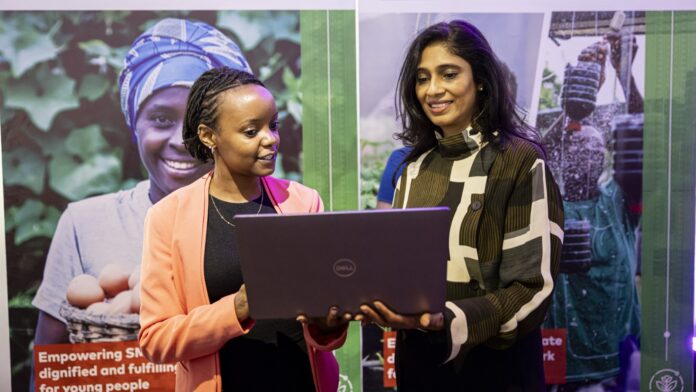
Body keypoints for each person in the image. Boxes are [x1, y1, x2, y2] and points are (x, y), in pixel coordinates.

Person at [356, 20, 564, 391]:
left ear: (480, 79)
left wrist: (448, 320)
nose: (432, 90)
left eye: (448, 74)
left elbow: (531, 288)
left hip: (495, 371)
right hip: (419, 366)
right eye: (422, 78)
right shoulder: (413, 169)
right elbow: (401, 273)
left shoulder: (520, 162)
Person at [31, 18, 253, 347]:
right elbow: (51, 368)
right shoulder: (85, 224)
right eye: (161, 119)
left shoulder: (259, 223)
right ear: (135, 125)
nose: (182, 140)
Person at [138, 67, 348, 392]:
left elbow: (321, 334)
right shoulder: (168, 217)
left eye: (274, 125)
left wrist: (327, 325)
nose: (271, 139)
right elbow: (156, 340)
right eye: (251, 131)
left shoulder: (303, 202)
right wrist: (237, 308)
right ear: (209, 136)